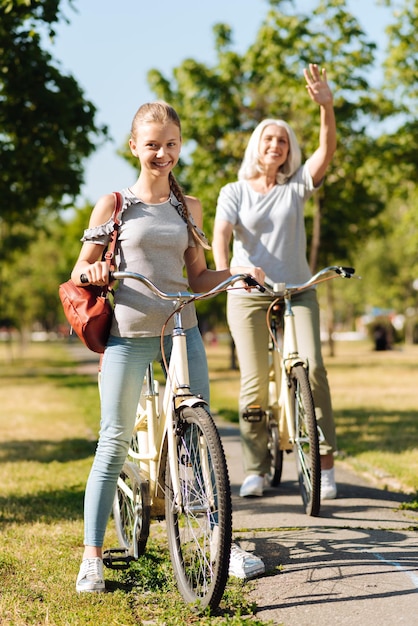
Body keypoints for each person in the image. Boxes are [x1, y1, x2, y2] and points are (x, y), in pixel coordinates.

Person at [71, 101, 266, 593]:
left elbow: (198, 276)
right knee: (113, 440)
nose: (162, 153)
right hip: (128, 335)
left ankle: (221, 542)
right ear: (134, 146)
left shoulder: (188, 207)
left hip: (183, 331)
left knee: (199, 439)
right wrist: (93, 271)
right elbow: (80, 269)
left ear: (180, 146)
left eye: (171, 144)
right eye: (152, 144)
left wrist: (238, 272)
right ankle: (92, 558)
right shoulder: (114, 205)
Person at [212, 64, 338, 501]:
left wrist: (327, 107)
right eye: (269, 138)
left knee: (315, 370)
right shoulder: (234, 191)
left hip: (298, 288)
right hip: (249, 294)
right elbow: (221, 236)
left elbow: (327, 149)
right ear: (257, 145)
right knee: (254, 383)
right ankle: (255, 468)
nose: (276, 145)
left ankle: (324, 463)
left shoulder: (297, 187)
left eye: (282, 140)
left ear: (289, 150)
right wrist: (229, 273)